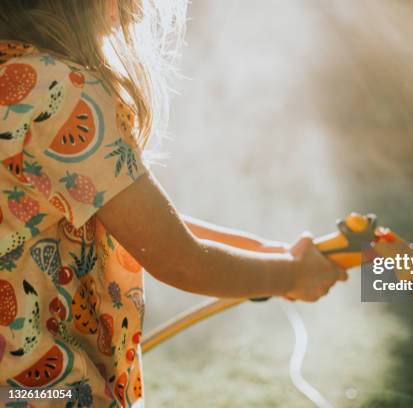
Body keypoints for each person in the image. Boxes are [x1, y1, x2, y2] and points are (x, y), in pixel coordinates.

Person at [0, 1, 346, 406]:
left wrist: (268, 254)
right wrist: (290, 276)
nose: (142, 10)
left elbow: (131, 218)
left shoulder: (15, 76)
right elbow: (180, 259)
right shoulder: (62, 89)